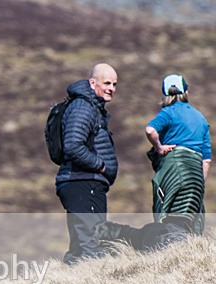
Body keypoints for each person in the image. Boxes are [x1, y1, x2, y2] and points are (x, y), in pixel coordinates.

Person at [98, 74, 210, 251]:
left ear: (164, 94)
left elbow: (150, 129)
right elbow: (207, 160)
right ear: (186, 91)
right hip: (195, 174)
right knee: (187, 218)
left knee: (165, 216)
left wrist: (158, 147)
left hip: (174, 168)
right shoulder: (201, 119)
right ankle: (184, 251)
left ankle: (163, 251)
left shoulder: (169, 112)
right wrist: (198, 184)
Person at [55, 63, 119, 265]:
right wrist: (101, 165)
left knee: (80, 248)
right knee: (91, 247)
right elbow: (73, 146)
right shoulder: (83, 107)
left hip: (85, 184)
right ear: (93, 83)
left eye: (114, 84)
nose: (111, 88)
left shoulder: (91, 107)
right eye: (106, 83)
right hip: (83, 183)